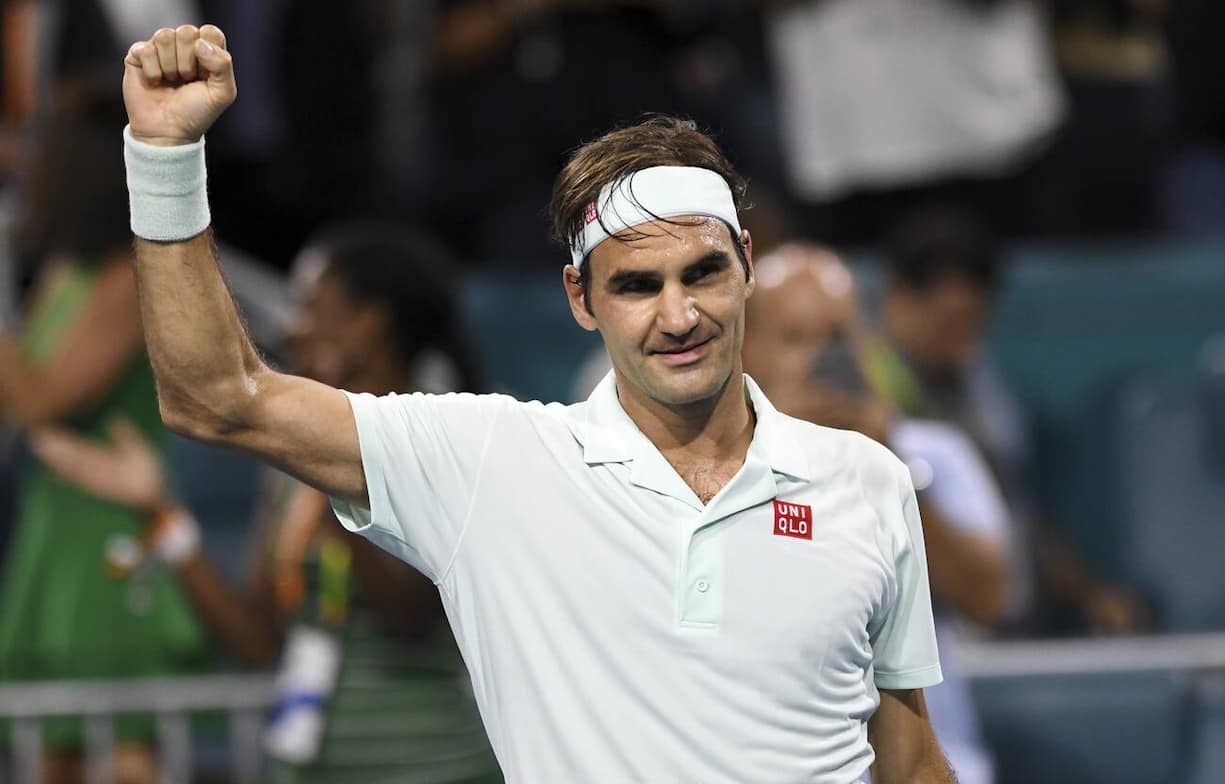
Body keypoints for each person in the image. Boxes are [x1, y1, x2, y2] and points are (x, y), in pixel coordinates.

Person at [118, 24, 954, 782]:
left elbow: (911, 761)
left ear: (744, 264)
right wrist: (163, 157)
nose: (678, 316)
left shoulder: (867, 481)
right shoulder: (491, 461)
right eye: (636, 286)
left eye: (702, 273)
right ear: (580, 298)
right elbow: (217, 398)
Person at [32, 225, 501, 783]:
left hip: (433, 772)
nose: (291, 327)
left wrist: (339, 467)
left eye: (310, 306)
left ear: (367, 324)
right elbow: (256, 642)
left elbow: (410, 615)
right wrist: (161, 515)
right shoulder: (292, 469)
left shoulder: (438, 441)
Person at [741, 243, 1012, 784]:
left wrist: (888, 467)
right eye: (796, 338)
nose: (822, 359)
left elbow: (990, 598)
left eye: (836, 337)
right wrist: (774, 454)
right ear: (746, 349)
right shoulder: (719, 471)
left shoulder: (931, 454)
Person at [0, 83, 207, 784]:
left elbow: (37, 401)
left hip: (112, 526)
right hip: (54, 523)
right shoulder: (69, 269)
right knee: (50, 751)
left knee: (124, 752)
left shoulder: (128, 278)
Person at [864, 206, 1149, 634]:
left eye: (975, 323)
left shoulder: (981, 390)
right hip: (925, 631)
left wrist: (1089, 592)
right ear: (898, 300)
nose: (964, 343)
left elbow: (1017, 511)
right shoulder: (861, 399)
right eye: (949, 323)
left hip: (1005, 621)